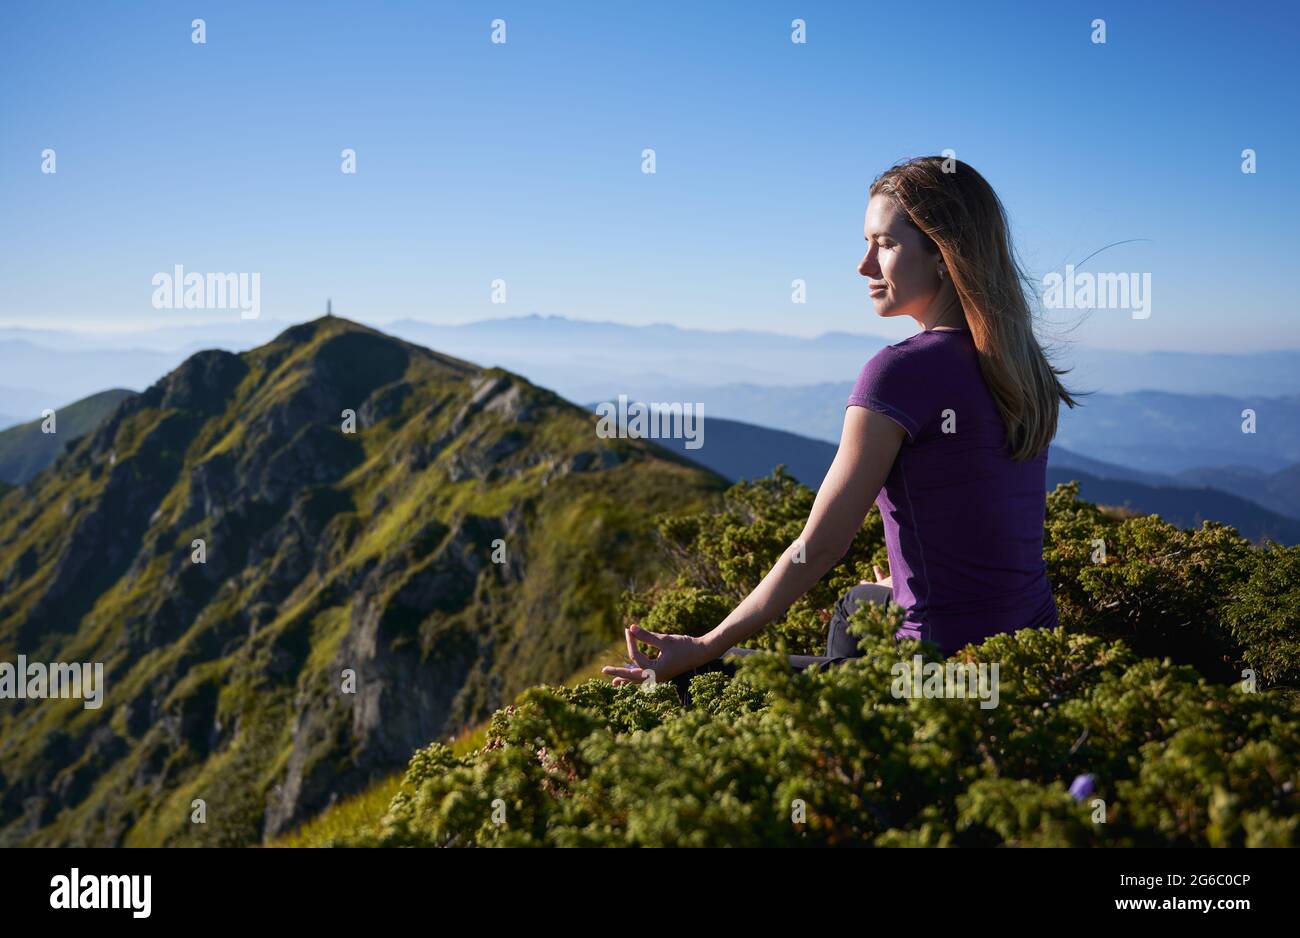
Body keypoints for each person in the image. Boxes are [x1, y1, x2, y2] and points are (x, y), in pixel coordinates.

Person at [603, 156, 1076, 701]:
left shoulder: (900, 372)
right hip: (1030, 656)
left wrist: (706, 644)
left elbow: (819, 547)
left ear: (944, 256)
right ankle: (851, 710)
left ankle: (849, 739)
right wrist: (907, 587)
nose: (864, 265)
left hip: (942, 677)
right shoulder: (1018, 363)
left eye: (885, 244)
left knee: (696, 677)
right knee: (860, 601)